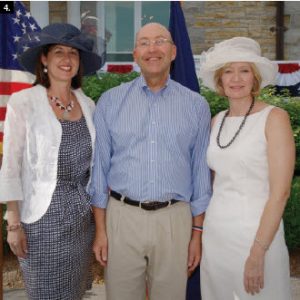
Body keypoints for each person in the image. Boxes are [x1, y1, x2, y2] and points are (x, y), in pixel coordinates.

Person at [89, 22, 212, 300]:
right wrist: (101, 231)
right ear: (135, 54)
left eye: (160, 41)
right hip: (122, 218)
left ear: (173, 51)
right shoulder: (110, 102)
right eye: (144, 43)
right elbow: (100, 171)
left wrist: (196, 233)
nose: (152, 49)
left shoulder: (196, 105)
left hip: (175, 219)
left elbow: (200, 174)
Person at [0, 23, 103, 299]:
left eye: (73, 53)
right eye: (59, 52)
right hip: (40, 220)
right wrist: (13, 224)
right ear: (44, 59)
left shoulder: (89, 104)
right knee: (46, 293)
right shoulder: (23, 102)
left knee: (74, 291)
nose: (67, 59)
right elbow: (10, 165)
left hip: (81, 220)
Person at [199, 37, 295, 299]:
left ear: (255, 78)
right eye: (228, 71)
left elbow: (281, 192)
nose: (236, 78)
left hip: (257, 236)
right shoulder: (216, 121)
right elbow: (216, 181)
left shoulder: (274, 118)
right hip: (217, 235)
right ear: (220, 80)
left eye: (244, 71)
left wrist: (257, 252)